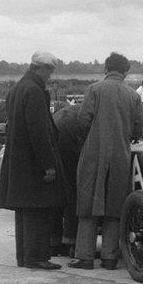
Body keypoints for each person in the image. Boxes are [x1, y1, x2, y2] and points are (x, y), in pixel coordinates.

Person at [70, 52, 143, 271]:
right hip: (121, 156)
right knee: (115, 204)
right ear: (125, 71)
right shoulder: (133, 95)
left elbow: (83, 120)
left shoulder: (94, 89)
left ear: (105, 69)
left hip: (94, 154)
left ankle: (85, 257)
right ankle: (110, 257)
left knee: (88, 203)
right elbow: (140, 127)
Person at [0, 51, 65, 270]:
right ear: (39, 68)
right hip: (33, 161)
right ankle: (37, 257)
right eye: (49, 70)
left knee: (24, 211)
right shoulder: (34, 91)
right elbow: (39, 131)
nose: (50, 75)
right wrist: (48, 164)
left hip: (19, 159)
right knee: (39, 209)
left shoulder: (17, 88)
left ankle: (24, 257)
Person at [53, 102, 87, 257]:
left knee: (59, 187)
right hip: (70, 134)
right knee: (74, 188)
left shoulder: (71, 110)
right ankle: (71, 241)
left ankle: (54, 241)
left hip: (58, 128)